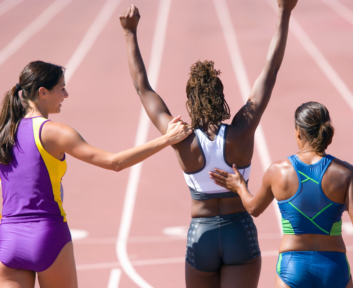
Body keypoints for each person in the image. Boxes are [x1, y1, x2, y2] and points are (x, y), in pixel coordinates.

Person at [119, 0, 297, 286]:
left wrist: (130, 34)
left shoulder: (179, 136)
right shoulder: (242, 129)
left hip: (201, 235)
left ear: (191, 100)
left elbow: (143, 88)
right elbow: (271, 70)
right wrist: (283, 12)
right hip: (239, 231)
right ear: (221, 95)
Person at [0, 60, 192, 288]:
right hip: (47, 235)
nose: (66, 94)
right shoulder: (55, 133)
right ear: (43, 92)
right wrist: (167, 139)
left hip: (9, 240)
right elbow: (115, 162)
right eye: (61, 88)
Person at [209, 102, 353, 288]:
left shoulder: (278, 171)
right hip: (334, 267)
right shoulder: (346, 173)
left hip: (292, 267)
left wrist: (239, 187)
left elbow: (253, 208)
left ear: (299, 132)